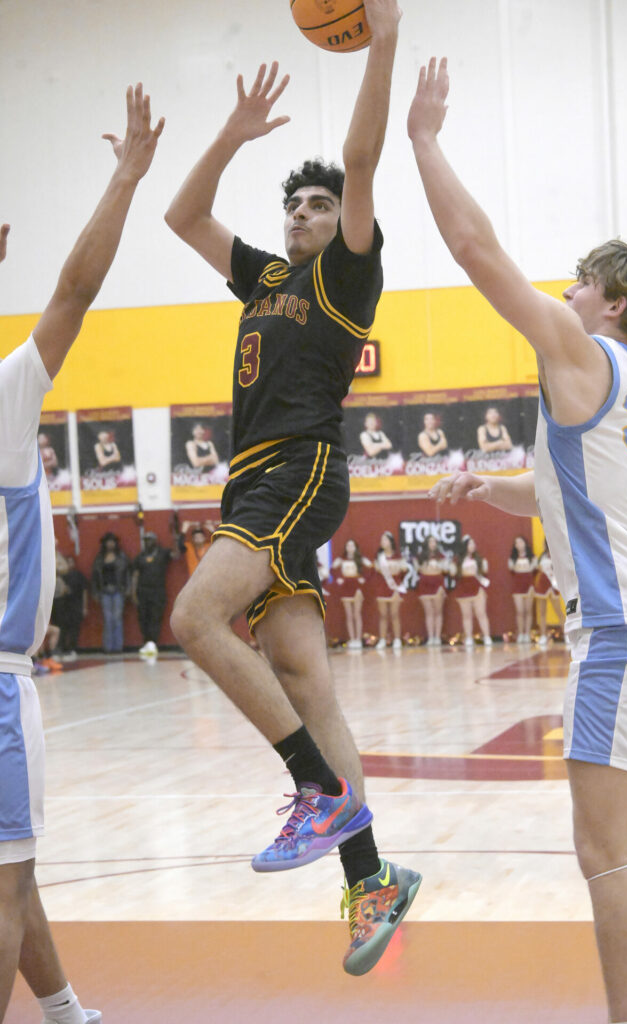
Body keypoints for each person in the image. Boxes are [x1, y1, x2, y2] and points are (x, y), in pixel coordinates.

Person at [411, 56, 627, 1024]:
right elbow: (574, 497)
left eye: (579, 283)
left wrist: (424, 140)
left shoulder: (580, 351)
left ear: (612, 305)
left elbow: (474, 249)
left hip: (617, 628)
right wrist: (489, 485)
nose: (563, 294)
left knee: (600, 845)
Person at [165, 0, 420, 978]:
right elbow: (183, 217)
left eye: (317, 204)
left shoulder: (344, 277)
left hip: (299, 467)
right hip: (248, 486)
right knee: (305, 681)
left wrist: (381, 41)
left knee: (193, 617)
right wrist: (231, 134)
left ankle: (316, 790)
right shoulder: (265, 276)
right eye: (295, 205)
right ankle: (371, 879)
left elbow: (359, 160)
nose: (303, 214)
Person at [0, 83, 162, 1024]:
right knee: (6, 883)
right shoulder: (7, 395)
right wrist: (127, 177)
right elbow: (75, 291)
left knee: (10, 869)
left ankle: (65, 1013)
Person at [131, 532, 178, 658]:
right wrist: (133, 592)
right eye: (146, 540)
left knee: (155, 617)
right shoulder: (140, 557)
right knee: (143, 618)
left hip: (158, 591)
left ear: (155, 541)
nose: (148, 542)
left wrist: (175, 541)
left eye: (150, 540)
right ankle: (146, 642)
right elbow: (135, 575)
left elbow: (176, 555)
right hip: (142, 591)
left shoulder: (162, 553)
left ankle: (152, 643)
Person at [91, 533, 129, 654]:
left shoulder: (122, 557)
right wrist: (95, 592)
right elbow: (94, 577)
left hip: (118, 590)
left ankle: (118, 647)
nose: (110, 544)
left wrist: (127, 590)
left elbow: (127, 574)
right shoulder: (99, 558)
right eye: (108, 541)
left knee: (117, 618)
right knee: (107, 619)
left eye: (112, 541)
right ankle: (108, 647)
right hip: (104, 591)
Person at [331, 539, 372, 650]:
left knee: (356, 613)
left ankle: (358, 638)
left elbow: (371, 569)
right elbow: (332, 570)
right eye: (348, 545)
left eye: (352, 545)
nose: (350, 547)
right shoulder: (341, 560)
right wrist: (338, 578)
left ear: (355, 547)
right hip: (345, 587)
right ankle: (352, 638)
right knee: (348, 614)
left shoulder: (361, 559)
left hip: (357, 586)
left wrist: (363, 579)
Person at [454, 535, 492, 649]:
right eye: (470, 543)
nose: (473, 545)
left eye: (473, 543)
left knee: (481, 613)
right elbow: (455, 573)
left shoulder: (479, 560)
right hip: (463, 588)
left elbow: (484, 572)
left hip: (476, 587)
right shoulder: (458, 561)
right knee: (466, 615)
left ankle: (487, 636)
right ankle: (469, 637)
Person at [374, 531, 408, 650]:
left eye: (385, 540)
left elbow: (403, 571)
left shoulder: (399, 557)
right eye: (381, 540)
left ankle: (397, 639)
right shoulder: (379, 557)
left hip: (395, 587)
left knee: (394, 614)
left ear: (391, 541)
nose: (382, 542)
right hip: (382, 587)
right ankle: (382, 639)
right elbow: (377, 570)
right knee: (383, 615)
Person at [414, 535, 450, 646]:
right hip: (425, 584)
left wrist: (441, 566)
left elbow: (446, 570)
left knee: (438, 611)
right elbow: (417, 569)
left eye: (434, 542)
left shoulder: (441, 557)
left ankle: (437, 637)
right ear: (426, 543)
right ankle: (430, 637)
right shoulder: (419, 557)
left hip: (438, 583)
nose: (433, 544)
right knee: (429, 612)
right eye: (430, 541)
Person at [533, 540, 565, 647]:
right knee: (542, 612)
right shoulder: (542, 556)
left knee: (559, 611)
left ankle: (566, 634)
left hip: (553, 583)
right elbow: (538, 568)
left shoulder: (557, 554)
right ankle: (543, 635)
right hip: (542, 583)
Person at [508, 535, 536, 643]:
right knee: (519, 611)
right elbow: (511, 568)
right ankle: (520, 633)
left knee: (528, 610)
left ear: (525, 543)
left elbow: (534, 568)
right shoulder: (512, 559)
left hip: (529, 585)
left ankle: (527, 633)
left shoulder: (532, 558)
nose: (519, 544)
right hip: (517, 586)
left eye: (520, 542)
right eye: (516, 543)